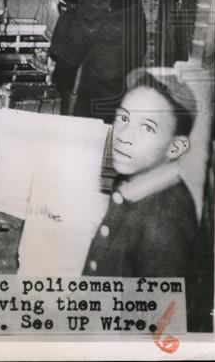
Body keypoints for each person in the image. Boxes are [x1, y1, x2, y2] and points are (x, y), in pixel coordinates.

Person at [82, 68, 199, 280]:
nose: (124, 136)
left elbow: (162, 312)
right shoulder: (140, 183)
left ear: (176, 147)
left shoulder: (164, 226)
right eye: (123, 117)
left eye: (147, 127)